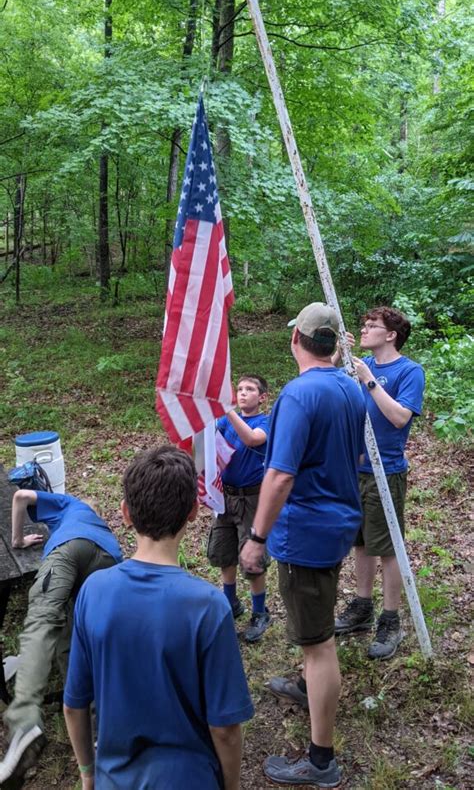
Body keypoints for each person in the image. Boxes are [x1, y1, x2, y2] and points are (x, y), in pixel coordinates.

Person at [63, 445, 254, 790]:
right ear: (194, 512)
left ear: (125, 513)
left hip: (114, 779)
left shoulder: (94, 591)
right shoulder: (208, 606)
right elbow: (225, 729)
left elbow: (74, 705)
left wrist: (88, 774)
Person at [240, 302, 366, 788]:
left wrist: (256, 538)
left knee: (318, 645)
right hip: (337, 523)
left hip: (306, 533)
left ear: (296, 339)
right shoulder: (350, 387)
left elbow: (279, 475)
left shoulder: (298, 394)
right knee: (316, 627)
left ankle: (320, 760)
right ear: (334, 343)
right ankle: (304, 685)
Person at [0, 489, 122, 788]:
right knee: (86, 641)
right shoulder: (102, 527)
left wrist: (17, 540)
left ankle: (24, 719)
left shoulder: (70, 506)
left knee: (43, 618)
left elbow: (19, 497)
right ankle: (100, 735)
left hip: (70, 552)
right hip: (111, 560)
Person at [334, 306, 425, 659]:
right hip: (355, 471)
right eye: (365, 324)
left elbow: (400, 417)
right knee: (361, 543)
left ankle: (390, 620)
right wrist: (342, 357)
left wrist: (369, 381)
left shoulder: (408, 371)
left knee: (387, 548)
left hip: (386, 471)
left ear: (391, 335)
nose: (365, 329)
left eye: (372, 325)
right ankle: (362, 606)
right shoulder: (356, 367)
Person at [207, 374, 271, 642]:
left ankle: (259, 611)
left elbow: (252, 440)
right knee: (224, 551)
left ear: (262, 397)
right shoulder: (226, 421)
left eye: (250, 389)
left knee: (252, 557)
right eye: (240, 389)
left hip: (251, 498)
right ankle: (230, 602)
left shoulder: (265, 421)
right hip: (226, 496)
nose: (243, 393)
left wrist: (228, 412)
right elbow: (208, 439)